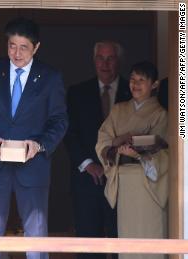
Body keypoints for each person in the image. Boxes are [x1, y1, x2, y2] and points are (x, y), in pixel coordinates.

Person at [0, 17, 68, 259]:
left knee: (36, 237)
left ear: (36, 47)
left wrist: (39, 144)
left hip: (33, 165)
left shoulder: (50, 77)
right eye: (11, 45)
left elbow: (59, 120)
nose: (16, 52)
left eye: (23, 47)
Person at [64, 41, 131, 259]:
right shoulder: (77, 93)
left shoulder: (133, 90)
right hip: (87, 180)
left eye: (110, 58)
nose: (105, 63)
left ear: (118, 61)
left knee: (122, 241)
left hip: (123, 180)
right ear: (94, 61)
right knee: (88, 244)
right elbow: (69, 133)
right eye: (100, 58)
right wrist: (88, 163)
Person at [96, 61, 168, 259]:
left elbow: (163, 152)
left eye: (142, 80)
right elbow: (103, 140)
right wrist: (118, 145)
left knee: (150, 237)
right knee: (128, 241)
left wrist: (136, 154)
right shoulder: (118, 110)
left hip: (148, 185)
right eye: (133, 79)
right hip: (125, 182)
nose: (135, 84)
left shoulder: (160, 114)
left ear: (154, 84)